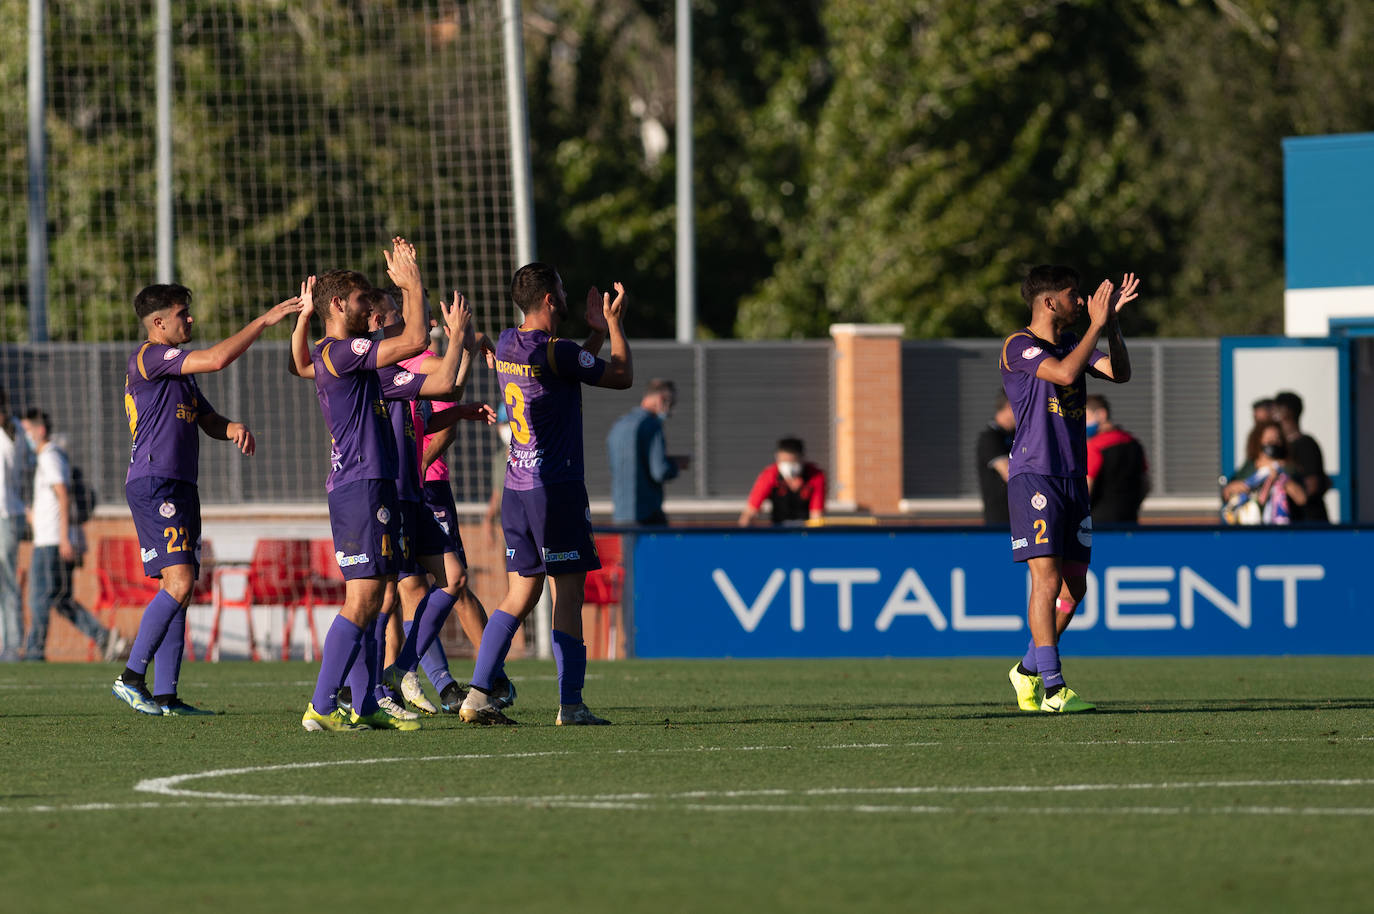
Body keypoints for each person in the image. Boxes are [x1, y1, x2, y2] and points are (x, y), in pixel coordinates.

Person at [113, 283, 301, 716]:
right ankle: (130, 678)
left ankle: (165, 696)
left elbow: (206, 417)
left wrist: (230, 426)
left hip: (179, 483)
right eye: (183, 313)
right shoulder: (151, 356)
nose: (190, 319)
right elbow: (218, 359)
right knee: (178, 583)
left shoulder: (179, 371)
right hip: (155, 481)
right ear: (159, 323)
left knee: (180, 585)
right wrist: (264, 321)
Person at [458, 264, 633, 726]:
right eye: (562, 286)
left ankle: (477, 694)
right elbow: (620, 376)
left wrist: (591, 337)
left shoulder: (511, 340)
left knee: (520, 593)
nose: (567, 291)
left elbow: (568, 371)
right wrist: (613, 325)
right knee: (569, 595)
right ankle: (571, 705)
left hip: (516, 487)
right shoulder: (555, 350)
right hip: (555, 489)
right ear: (551, 300)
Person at [295, 238, 431, 732]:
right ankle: (322, 706)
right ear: (338, 305)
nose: (368, 307)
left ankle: (365, 704)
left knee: (375, 598)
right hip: (360, 485)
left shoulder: (334, 353)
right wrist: (412, 284)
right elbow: (415, 341)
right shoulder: (345, 350)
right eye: (360, 301)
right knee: (364, 598)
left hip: (366, 484)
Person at [1001, 265, 1138, 714]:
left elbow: (1119, 375)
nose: (1081, 302)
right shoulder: (1019, 345)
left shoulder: (1071, 346)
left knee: (1074, 588)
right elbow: (1062, 374)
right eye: (1073, 295)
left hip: (1072, 478)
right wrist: (1095, 326)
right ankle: (1054, 690)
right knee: (1045, 579)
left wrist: (1111, 324)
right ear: (1048, 302)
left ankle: (1026, 669)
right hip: (1035, 475)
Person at [19, 410, 122, 662]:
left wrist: (65, 538)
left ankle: (34, 653)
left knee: (39, 598)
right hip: (50, 538)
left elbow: (62, 495)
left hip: (52, 541)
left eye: (28, 431)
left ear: (40, 430)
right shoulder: (47, 457)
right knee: (61, 599)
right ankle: (105, 637)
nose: (26, 436)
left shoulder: (50, 457)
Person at [607, 378, 686, 525]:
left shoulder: (619, 425)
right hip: (648, 515)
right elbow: (660, 471)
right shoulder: (652, 425)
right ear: (662, 400)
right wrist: (676, 465)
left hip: (621, 514)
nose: (671, 411)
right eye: (672, 404)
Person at [1221, 420, 1307, 525]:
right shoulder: (1249, 467)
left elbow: (1302, 499)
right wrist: (1236, 487)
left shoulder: (1288, 468)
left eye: (1277, 439)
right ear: (1258, 441)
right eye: (1269, 440)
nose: (1274, 443)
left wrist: (1281, 479)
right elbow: (1227, 493)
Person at [1084, 394, 1149, 524]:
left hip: (1099, 524)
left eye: (1085, 417)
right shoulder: (1133, 443)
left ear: (1101, 414)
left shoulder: (1094, 446)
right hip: (1130, 520)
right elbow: (1146, 484)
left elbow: (1086, 489)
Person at [0, 387, 30, 662]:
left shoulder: (12, 432)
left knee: (8, 583)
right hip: (10, 512)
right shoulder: (15, 430)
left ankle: (11, 646)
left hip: (6, 515)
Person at [738, 437, 826, 526]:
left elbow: (816, 515)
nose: (787, 465)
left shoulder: (815, 476)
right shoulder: (770, 474)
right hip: (777, 530)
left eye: (792, 461)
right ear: (777, 458)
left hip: (805, 531)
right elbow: (751, 511)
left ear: (802, 458)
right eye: (784, 461)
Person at [1271, 391, 1329, 524]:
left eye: (1276, 411)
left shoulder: (1306, 445)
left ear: (1287, 412)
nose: (1272, 416)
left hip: (1308, 524)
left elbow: (1312, 486)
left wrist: (1290, 485)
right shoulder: (1282, 447)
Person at [975, 391, 1015, 524]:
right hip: (1000, 521)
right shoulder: (989, 438)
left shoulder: (1016, 435)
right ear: (1010, 406)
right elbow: (1010, 474)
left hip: (1019, 517)